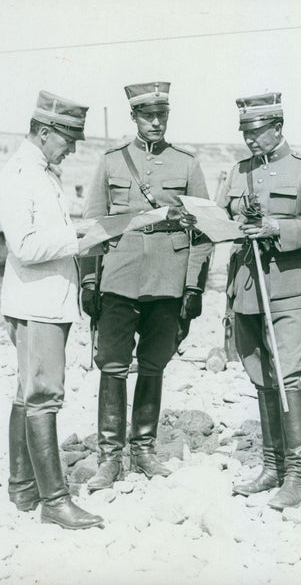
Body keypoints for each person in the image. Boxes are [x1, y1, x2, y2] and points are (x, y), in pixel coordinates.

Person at [80, 81, 213, 491]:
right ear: (134, 117)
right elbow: (93, 226)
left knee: (154, 364)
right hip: (119, 278)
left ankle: (143, 451)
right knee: (113, 366)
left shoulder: (187, 164)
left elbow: (204, 231)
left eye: (161, 115)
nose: (155, 122)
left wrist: (193, 286)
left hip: (168, 280)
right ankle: (109, 458)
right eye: (147, 115)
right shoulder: (111, 162)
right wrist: (89, 279)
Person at [0, 91, 103, 530]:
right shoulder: (20, 175)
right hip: (37, 304)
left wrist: (84, 228)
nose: (71, 148)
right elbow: (24, 246)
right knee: (43, 397)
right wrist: (81, 239)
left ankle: (22, 487)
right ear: (43, 132)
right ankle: (55, 502)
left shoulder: (41, 173)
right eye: (67, 139)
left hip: (42, 301)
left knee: (28, 392)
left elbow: (47, 230)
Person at [218, 92, 301, 510]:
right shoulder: (238, 172)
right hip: (248, 290)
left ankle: (296, 475)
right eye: (245, 132)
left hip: (290, 290)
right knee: (261, 378)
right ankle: (271, 467)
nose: (250, 139)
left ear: (278, 128)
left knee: (287, 376)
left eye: (257, 131)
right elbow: (220, 219)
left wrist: (276, 228)